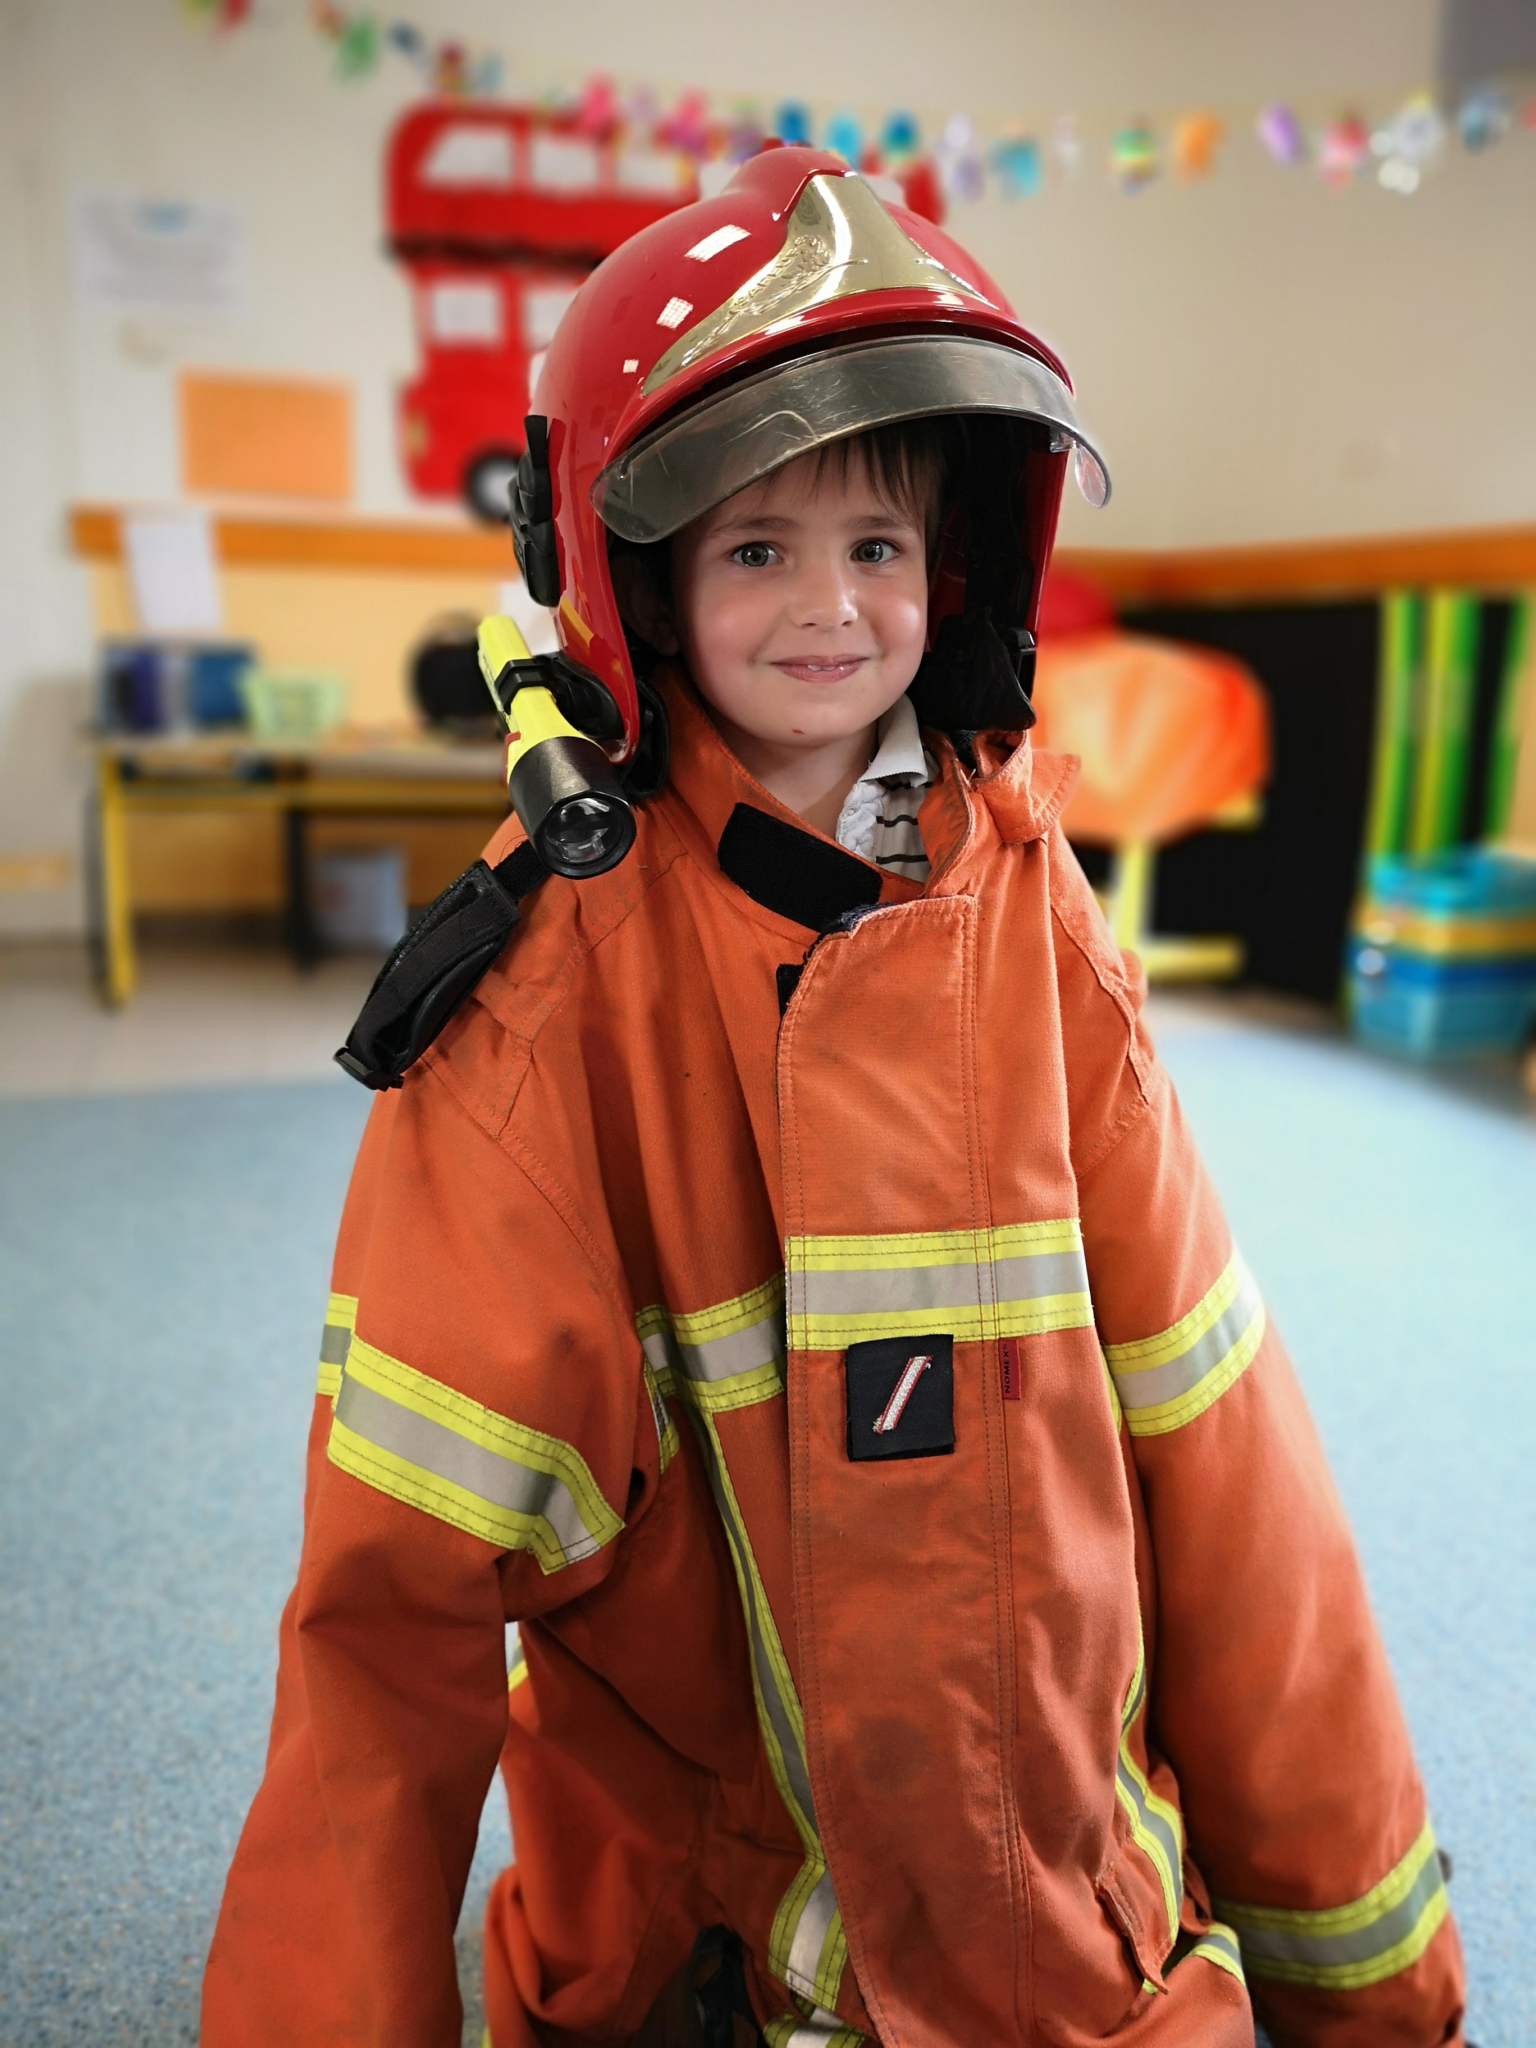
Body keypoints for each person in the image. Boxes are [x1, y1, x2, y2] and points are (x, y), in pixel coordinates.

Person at [202, 147, 1465, 2048]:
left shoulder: (1034, 901)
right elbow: (386, 1623)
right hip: (723, 1941)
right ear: (635, 582)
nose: (831, 607)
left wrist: (1377, 2001)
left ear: (954, 571)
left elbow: (1231, 1474)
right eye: (756, 549)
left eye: (876, 546)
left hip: (1083, 1920)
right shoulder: (544, 999)